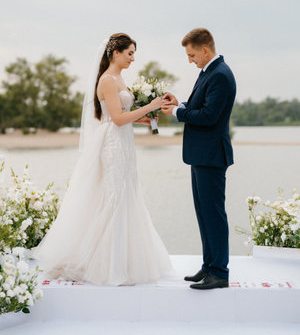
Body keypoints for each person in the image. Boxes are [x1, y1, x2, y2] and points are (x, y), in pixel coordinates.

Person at [34, 33, 172, 286]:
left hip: (123, 143)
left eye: (134, 54)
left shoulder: (119, 78)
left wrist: (145, 119)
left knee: (126, 193)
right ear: (115, 53)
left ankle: (125, 260)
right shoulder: (108, 80)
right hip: (112, 144)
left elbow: (121, 115)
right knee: (114, 196)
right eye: (129, 53)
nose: (133, 58)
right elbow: (117, 119)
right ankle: (105, 264)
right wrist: (150, 106)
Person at [161, 28, 236, 290]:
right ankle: (209, 267)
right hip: (201, 155)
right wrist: (180, 105)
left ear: (205, 50)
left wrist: (177, 114)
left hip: (212, 156)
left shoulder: (221, 75)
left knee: (213, 214)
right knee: (204, 214)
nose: (190, 60)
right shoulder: (209, 72)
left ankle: (219, 272)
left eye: (192, 55)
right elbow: (200, 109)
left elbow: (208, 117)